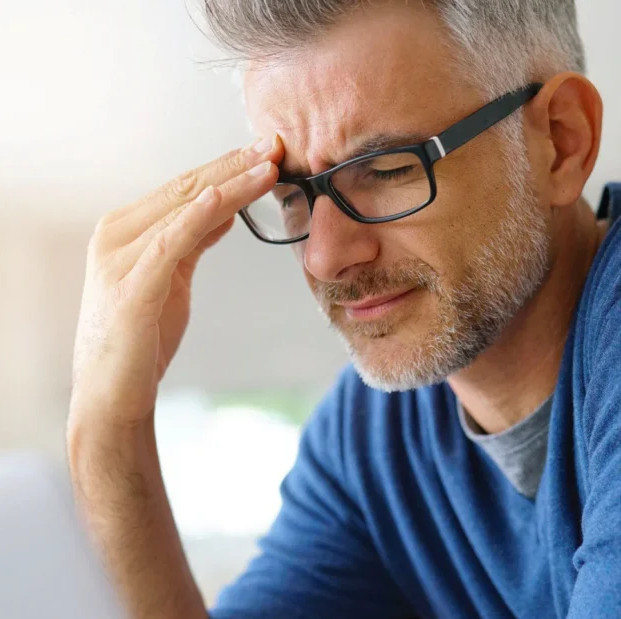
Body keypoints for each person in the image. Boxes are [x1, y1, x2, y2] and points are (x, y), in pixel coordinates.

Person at [66, 0, 621, 617]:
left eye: (385, 170)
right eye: (292, 194)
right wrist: (109, 432)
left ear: (562, 143)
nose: (324, 257)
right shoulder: (372, 435)